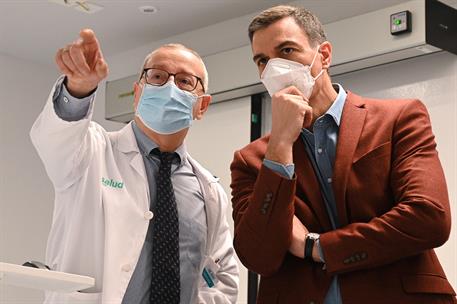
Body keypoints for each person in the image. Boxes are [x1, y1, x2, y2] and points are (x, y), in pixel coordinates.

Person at [230, 5, 455, 304]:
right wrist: (280, 145)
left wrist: (317, 246)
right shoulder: (252, 160)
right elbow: (258, 256)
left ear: (323, 55)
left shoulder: (398, 119)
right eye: (262, 60)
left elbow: (428, 218)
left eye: (286, 50)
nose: (274, 67)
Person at [30, 28, 238, 304]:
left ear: (202, 106)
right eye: (157, 77)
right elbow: (55, 140)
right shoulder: (92, 153)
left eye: (186, 81)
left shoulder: (208, 191)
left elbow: (222, 279)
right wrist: (78, 89)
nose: (169, 88)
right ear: (138, 93)